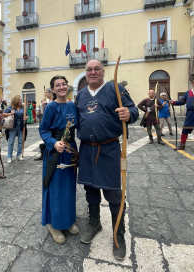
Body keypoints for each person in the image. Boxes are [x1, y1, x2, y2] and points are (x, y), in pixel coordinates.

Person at [75, 59, 139, 260]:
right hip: (86, 149)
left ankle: (118, 233)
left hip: (109, 149)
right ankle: (95, 223)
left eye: (96, 69)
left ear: (103, 72)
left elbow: (134, 111)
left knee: (113, 193)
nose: (93, 72)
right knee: (90, 189)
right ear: (86, 73)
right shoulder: (81, 95)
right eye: (89, 70)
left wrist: (129, 113)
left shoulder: (115, 89)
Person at [39, 75, 79, 244]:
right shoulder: (51, 107)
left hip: (70, 150)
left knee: (69, 187)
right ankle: (54, 225)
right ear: (53, 90)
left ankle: (68, 220)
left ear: (67, 87)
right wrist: (54, 143)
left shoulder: (72, 105)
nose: (62, 87)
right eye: (58, 85)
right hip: (56, 151)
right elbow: (43, 129)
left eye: (64, 84)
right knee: (55, 187)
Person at [3, 95, 28, 163]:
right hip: (13, 125)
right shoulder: (11, 107)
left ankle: (19, 154)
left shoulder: (23, 107)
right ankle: (9, 156)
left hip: (21, 125)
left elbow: (27, 114)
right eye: (19, 100)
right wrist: (10, 113)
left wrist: (26, 117)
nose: (21, 101)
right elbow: (3, 114)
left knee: (20, 140)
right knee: (11, 141)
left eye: (21, 99)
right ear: (16, 100)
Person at [33, 88, 53, 161]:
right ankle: (44, 154)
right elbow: (41, 112)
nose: (46, 94)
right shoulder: (46, 102)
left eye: (47, 92)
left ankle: (48, 154)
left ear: (51, 93)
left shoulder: (53, 101)